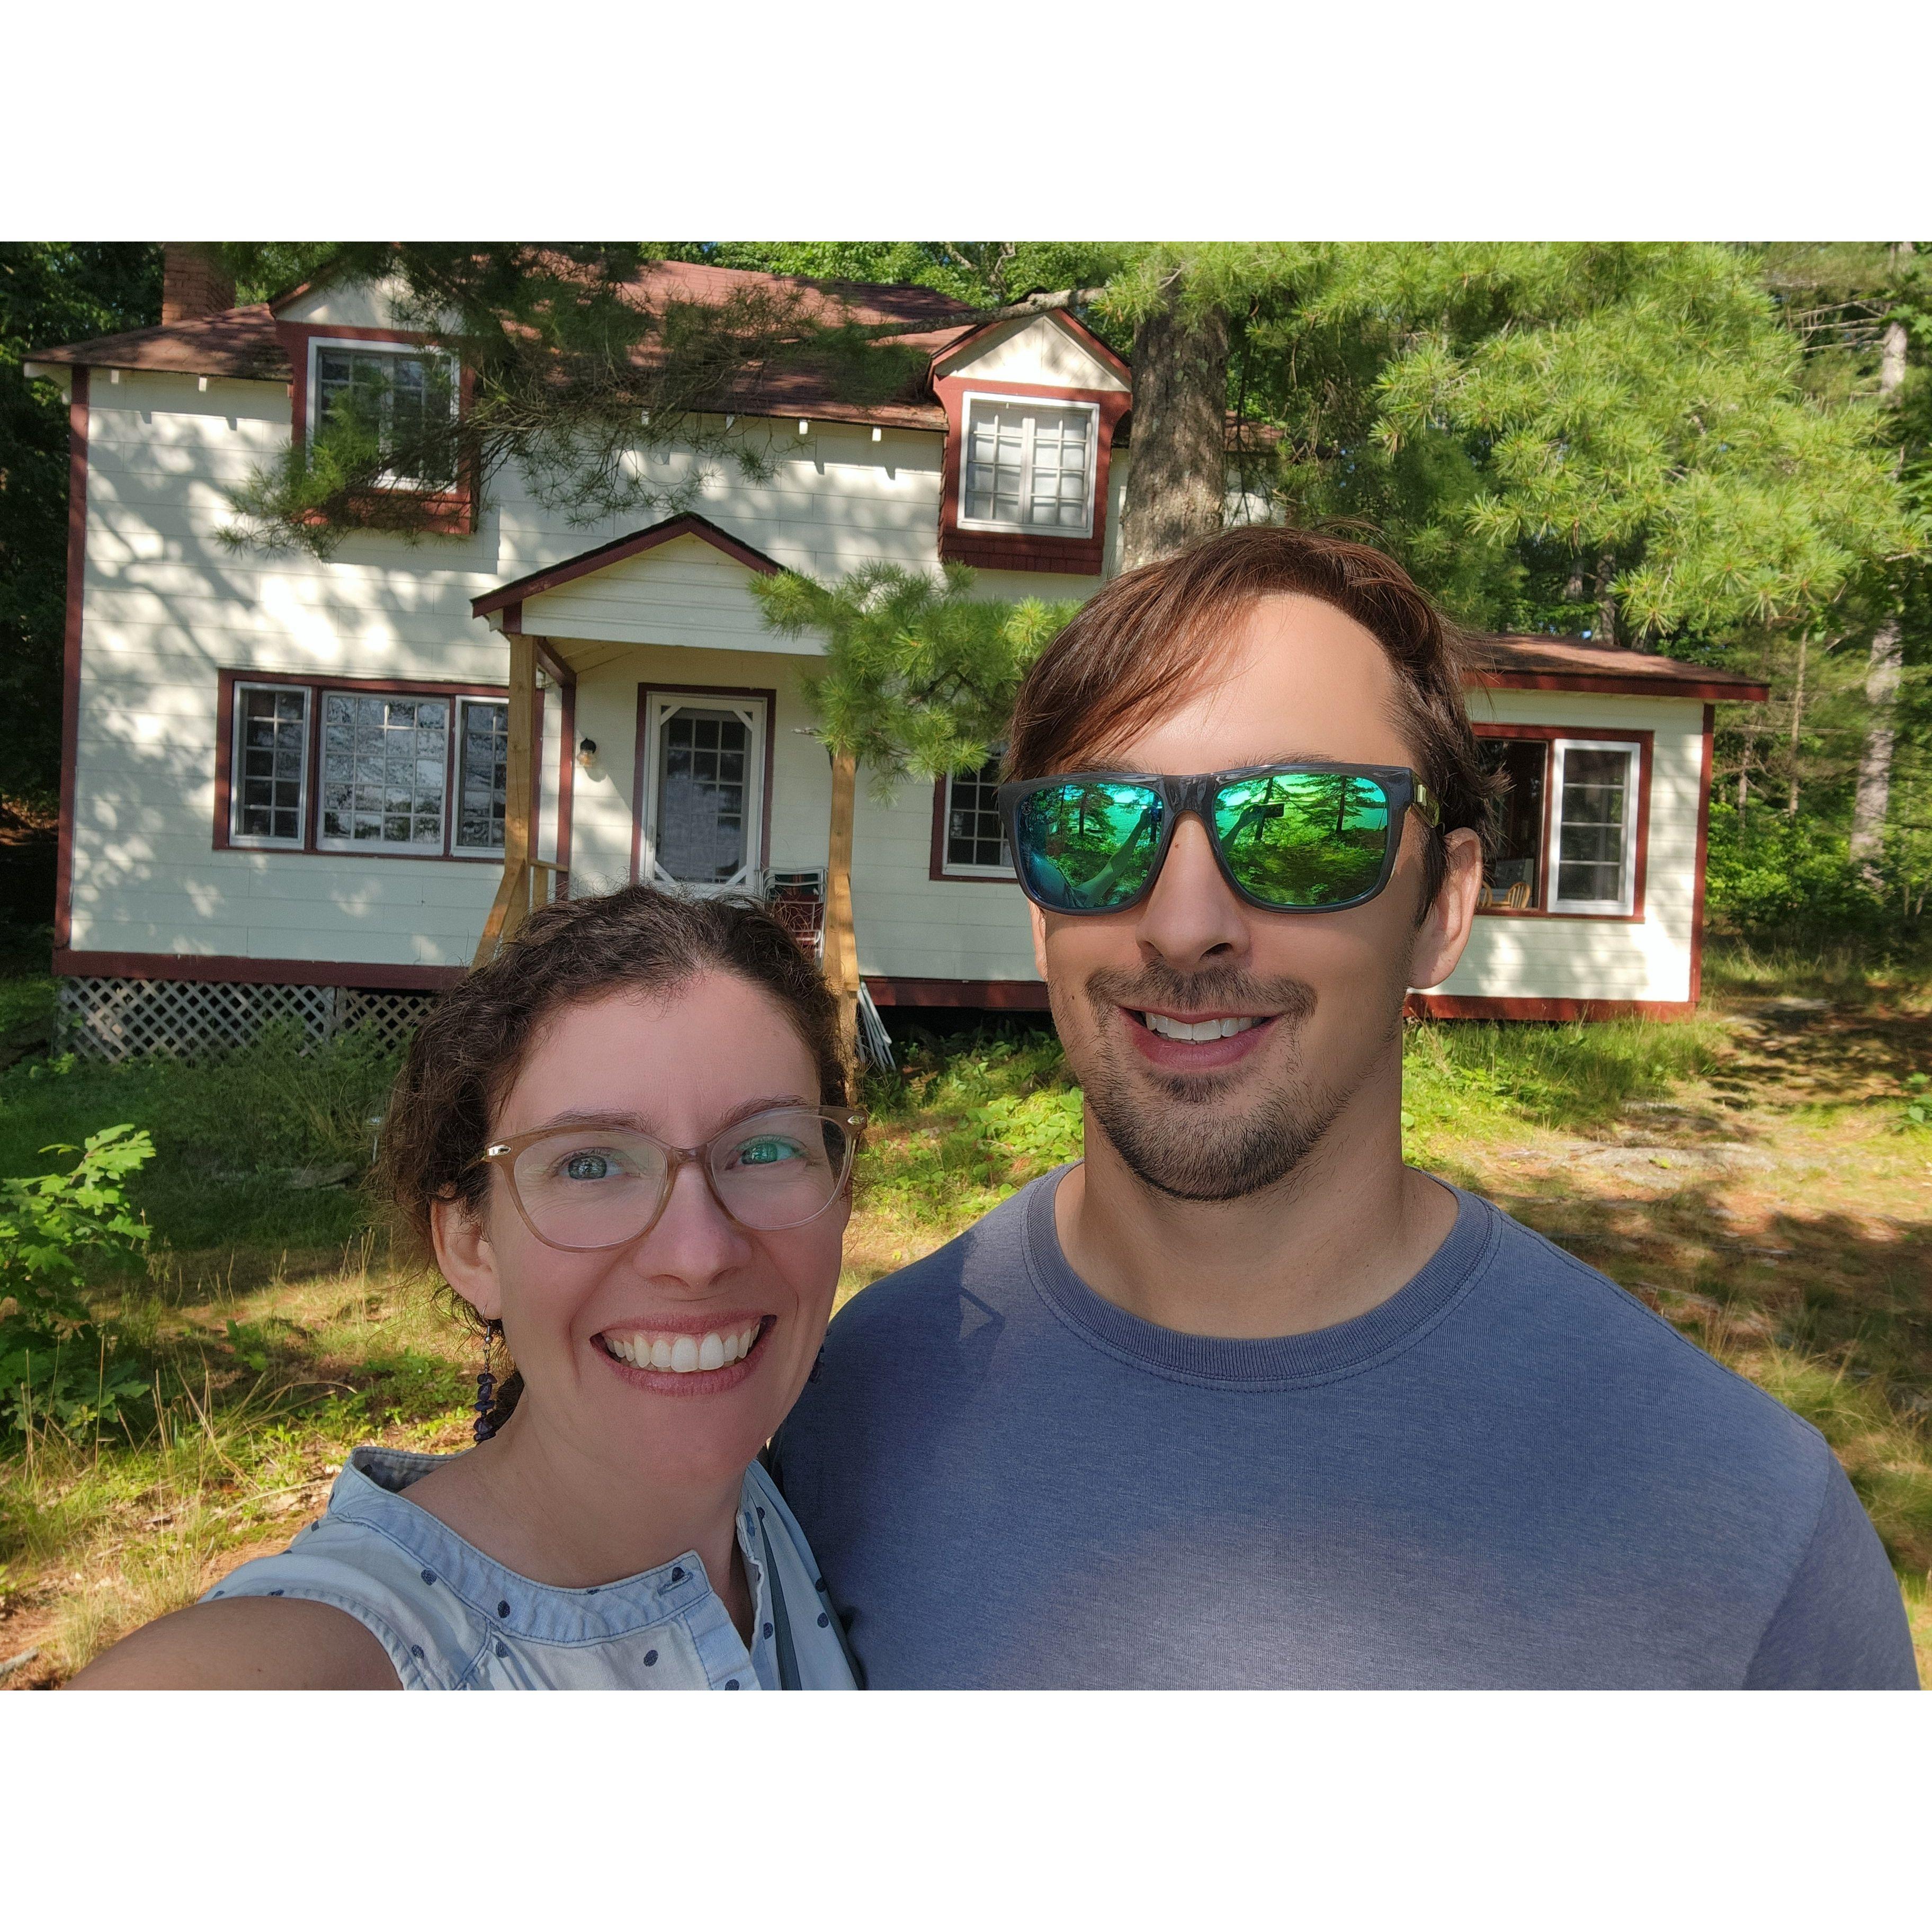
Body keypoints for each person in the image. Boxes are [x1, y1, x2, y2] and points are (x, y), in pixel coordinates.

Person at [771, 525, 1920, 1689]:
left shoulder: (1742, 1528)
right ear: (1041, 913)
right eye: (1097, 830)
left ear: (1442, 906)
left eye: (1307, 826)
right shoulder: (828, 1422)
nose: (1183, 924)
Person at [74, 887, 862, 1689]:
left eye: (765, 1150)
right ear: (471, 1243)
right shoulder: (349, 1660)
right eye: (589, 1163)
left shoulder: (806, 1507)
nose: (699, 1253)